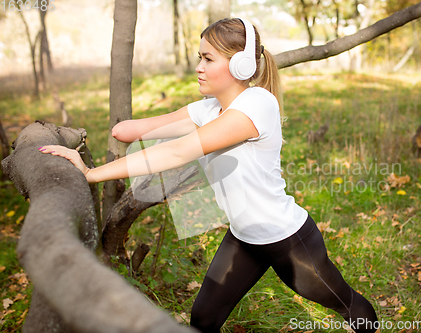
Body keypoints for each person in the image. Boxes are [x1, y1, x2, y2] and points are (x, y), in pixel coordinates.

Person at [39, 18, 379, 333]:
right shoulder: (209, 108)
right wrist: (122, 127)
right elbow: (140, 129)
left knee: (346, 304)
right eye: (199, 58)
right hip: (244, 238)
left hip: (287, 240)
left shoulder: (257, 105)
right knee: (203, 318)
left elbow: (176, 152)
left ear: (239, 65)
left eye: (208, 59)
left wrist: (91, 173)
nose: (198, 68)